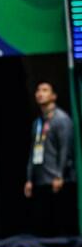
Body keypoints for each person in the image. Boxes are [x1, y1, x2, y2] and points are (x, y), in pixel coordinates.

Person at [24, 82, 77, 237]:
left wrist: (60, 175)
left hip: (58, 180)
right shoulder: (37, 122)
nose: (40, 93)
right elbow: (33, 150)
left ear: (54, 96)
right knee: (44, 225)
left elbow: (65, 149)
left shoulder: (61, 119)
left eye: (45, 90)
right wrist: (29, 179)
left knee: (61, 223)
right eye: (38, 90)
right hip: (41, 180)